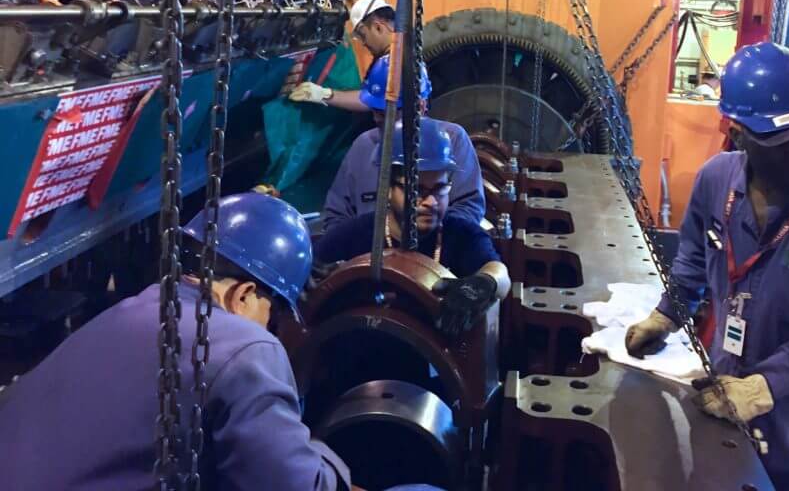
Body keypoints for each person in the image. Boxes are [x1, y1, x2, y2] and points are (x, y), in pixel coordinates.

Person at [623, 42, 789, 491]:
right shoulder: (715, 179)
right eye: (776, 142)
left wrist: (766, 386)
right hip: (726, 384)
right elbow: (691, 262)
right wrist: (667, 314)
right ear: (736, 131)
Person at [0, 193, 354, 490]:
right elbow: (297, 485)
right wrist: (325, 454)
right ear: (244, 295)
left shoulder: (130, 309)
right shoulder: (246, 347)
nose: (270, 328)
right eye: (272, 315)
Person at [315, 117, 510, 336]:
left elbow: (500, 273)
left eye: (440, 189)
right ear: (387, 188)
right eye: (417, 190)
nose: (431, 202)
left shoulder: (459, 234)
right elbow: (314, 271)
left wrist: (484, 283)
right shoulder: (352, 236)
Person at [321, 54, 485, 230]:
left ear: (420, 106)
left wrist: (429, 239)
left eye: (388, 113)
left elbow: (468, 208)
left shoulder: (453, 139)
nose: (377, 119)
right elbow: (336, 216)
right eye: (375, 111)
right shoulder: (363, 146)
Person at [289, 0, 395, 110]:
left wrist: (322, 94)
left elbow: (368, 100)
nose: (364, 43)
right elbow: (368, 94)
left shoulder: (390, 62)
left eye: (363, 36)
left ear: (378, 27)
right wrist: (327, 94)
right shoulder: (402, 49)